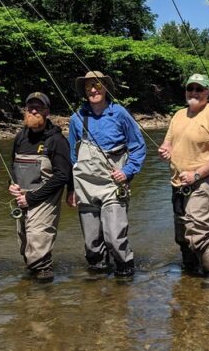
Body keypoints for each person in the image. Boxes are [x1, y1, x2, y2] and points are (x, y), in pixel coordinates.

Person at [67, 71, 146, 278]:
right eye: (88, 87)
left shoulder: (120, 114)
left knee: (114, 237)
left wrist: (127, 172)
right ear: (84, 91)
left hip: (113, 184)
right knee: (91, 242)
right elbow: (73, 157)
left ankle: (125, 275)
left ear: (106, 88)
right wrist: (72, 188)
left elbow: (138, 147)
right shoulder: (76, 119)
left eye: (97, 85)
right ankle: (97, 278)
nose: (93, 90)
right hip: (85, 186)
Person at [158, 74, 209, 277]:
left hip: (202, 183)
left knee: (197, 234)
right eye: (190, 89)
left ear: (208, 92)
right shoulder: (178, 115)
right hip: (177, 183)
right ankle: (189, 274)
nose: (194, 93)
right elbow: (167, 144)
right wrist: (164, 150)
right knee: (182, 235)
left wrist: (196, 175)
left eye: (199, 89)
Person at [8, 92, 73, 282]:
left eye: (39, 108)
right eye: (30, 107)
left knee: (38, 244)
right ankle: (29, 289)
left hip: (45, 199)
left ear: (47, 112)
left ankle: (44, 288)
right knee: (25, 244)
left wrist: (32, 198)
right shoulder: (20, 137)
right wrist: (11, 185)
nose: (34, 111)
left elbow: (63, 175)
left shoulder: (57, 140)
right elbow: (12, 166)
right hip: (21, 198)